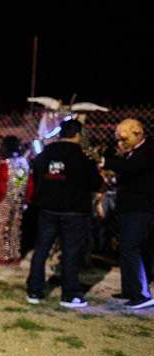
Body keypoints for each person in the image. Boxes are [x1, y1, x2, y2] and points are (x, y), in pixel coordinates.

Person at [25, 118, 103, 308]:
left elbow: (35, 177)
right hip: (74, 211)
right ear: (78, 134)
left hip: (47, 208)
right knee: (71, 252)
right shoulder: (82, 159)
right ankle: (70, 294)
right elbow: (96, 183)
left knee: (41, 249)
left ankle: (34, 290)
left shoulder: (44, 156)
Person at [100, 118, 154, 309]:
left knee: (131, 247)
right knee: (126, 247)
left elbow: (133, 167)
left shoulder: (147, 151)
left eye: (124, 138)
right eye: (118, 140)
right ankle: (130, 289)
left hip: (140, 208)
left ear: (137, 133)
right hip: (128, 207)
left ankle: (141, 294)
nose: (120, 143)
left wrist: (105, 161)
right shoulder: (132, 153)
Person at [0, 136, 33, 265]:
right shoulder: (24, 163)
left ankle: (3, 257)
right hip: (18, 200)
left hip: (4, 201)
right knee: (15, 228)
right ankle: (15, 255)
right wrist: (25, 201)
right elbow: (28, 184)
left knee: (1, 229)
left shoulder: (4, 164)